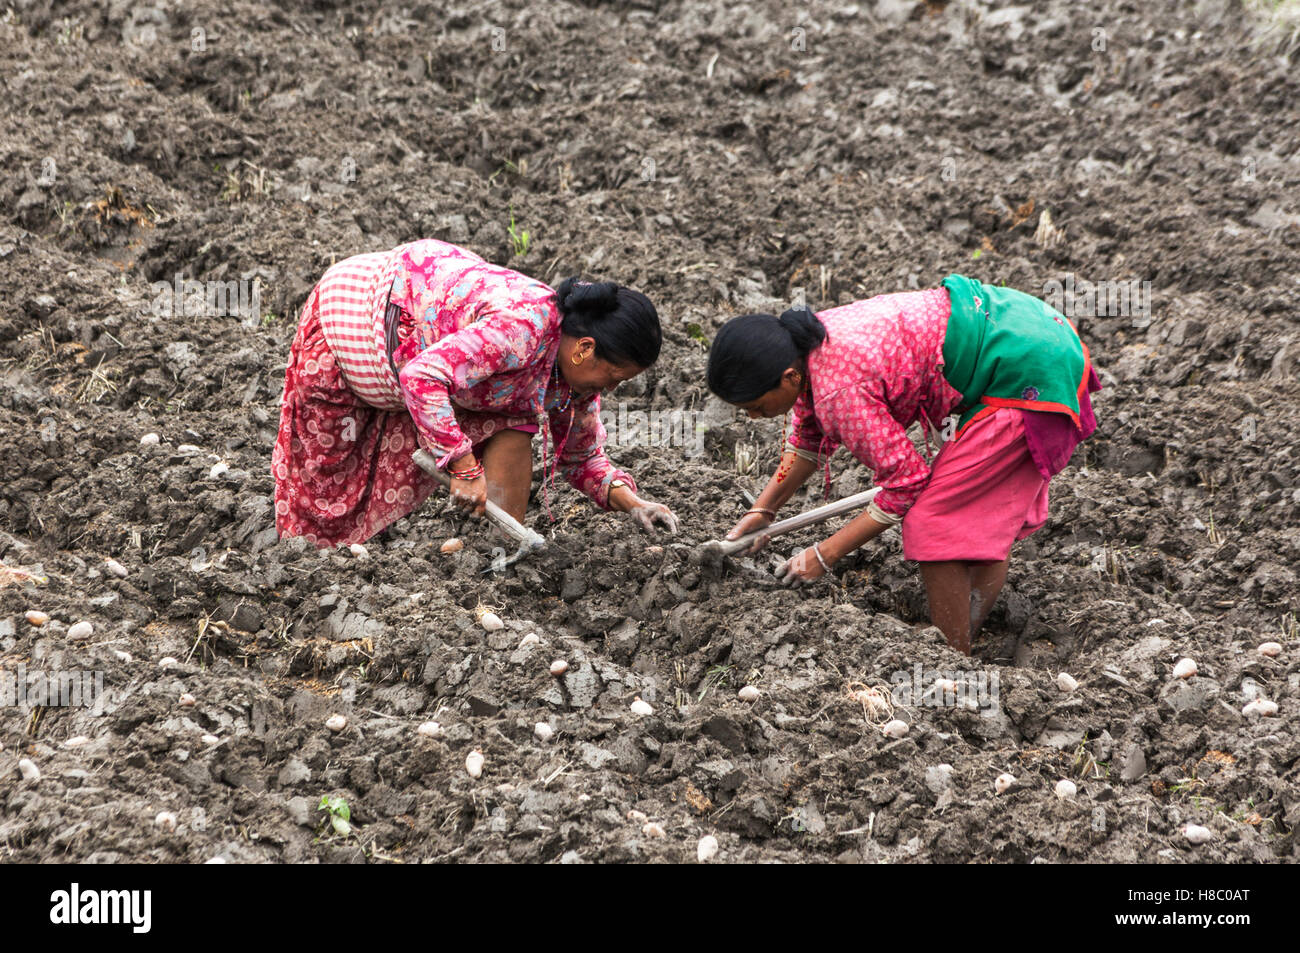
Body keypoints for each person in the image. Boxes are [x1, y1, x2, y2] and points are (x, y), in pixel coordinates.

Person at [706, 274, 1101, 655]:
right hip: (1024, 331)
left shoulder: (840, 391)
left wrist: (824, 555)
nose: (755, 417)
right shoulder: (811, 344)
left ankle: (951, 659)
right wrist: (763, 510)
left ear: (789, 377)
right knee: (975, 513)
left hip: (1028, 372)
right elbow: (807, 441)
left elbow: (906, 483)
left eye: (756, 407)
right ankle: (964, 631)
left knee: (933, 518)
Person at [273, 238, 677, 547]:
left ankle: (504, 555)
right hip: (355, 315)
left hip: (428, 350)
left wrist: (636, 505)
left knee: (514, 421)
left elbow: (581, 456)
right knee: (323, 487)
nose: (610, 389)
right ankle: (302, 567)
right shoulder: (520, 331)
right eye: (614, 377)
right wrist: (464, 469)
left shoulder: (573, 380)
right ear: (585, 348)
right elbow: (422, 378)